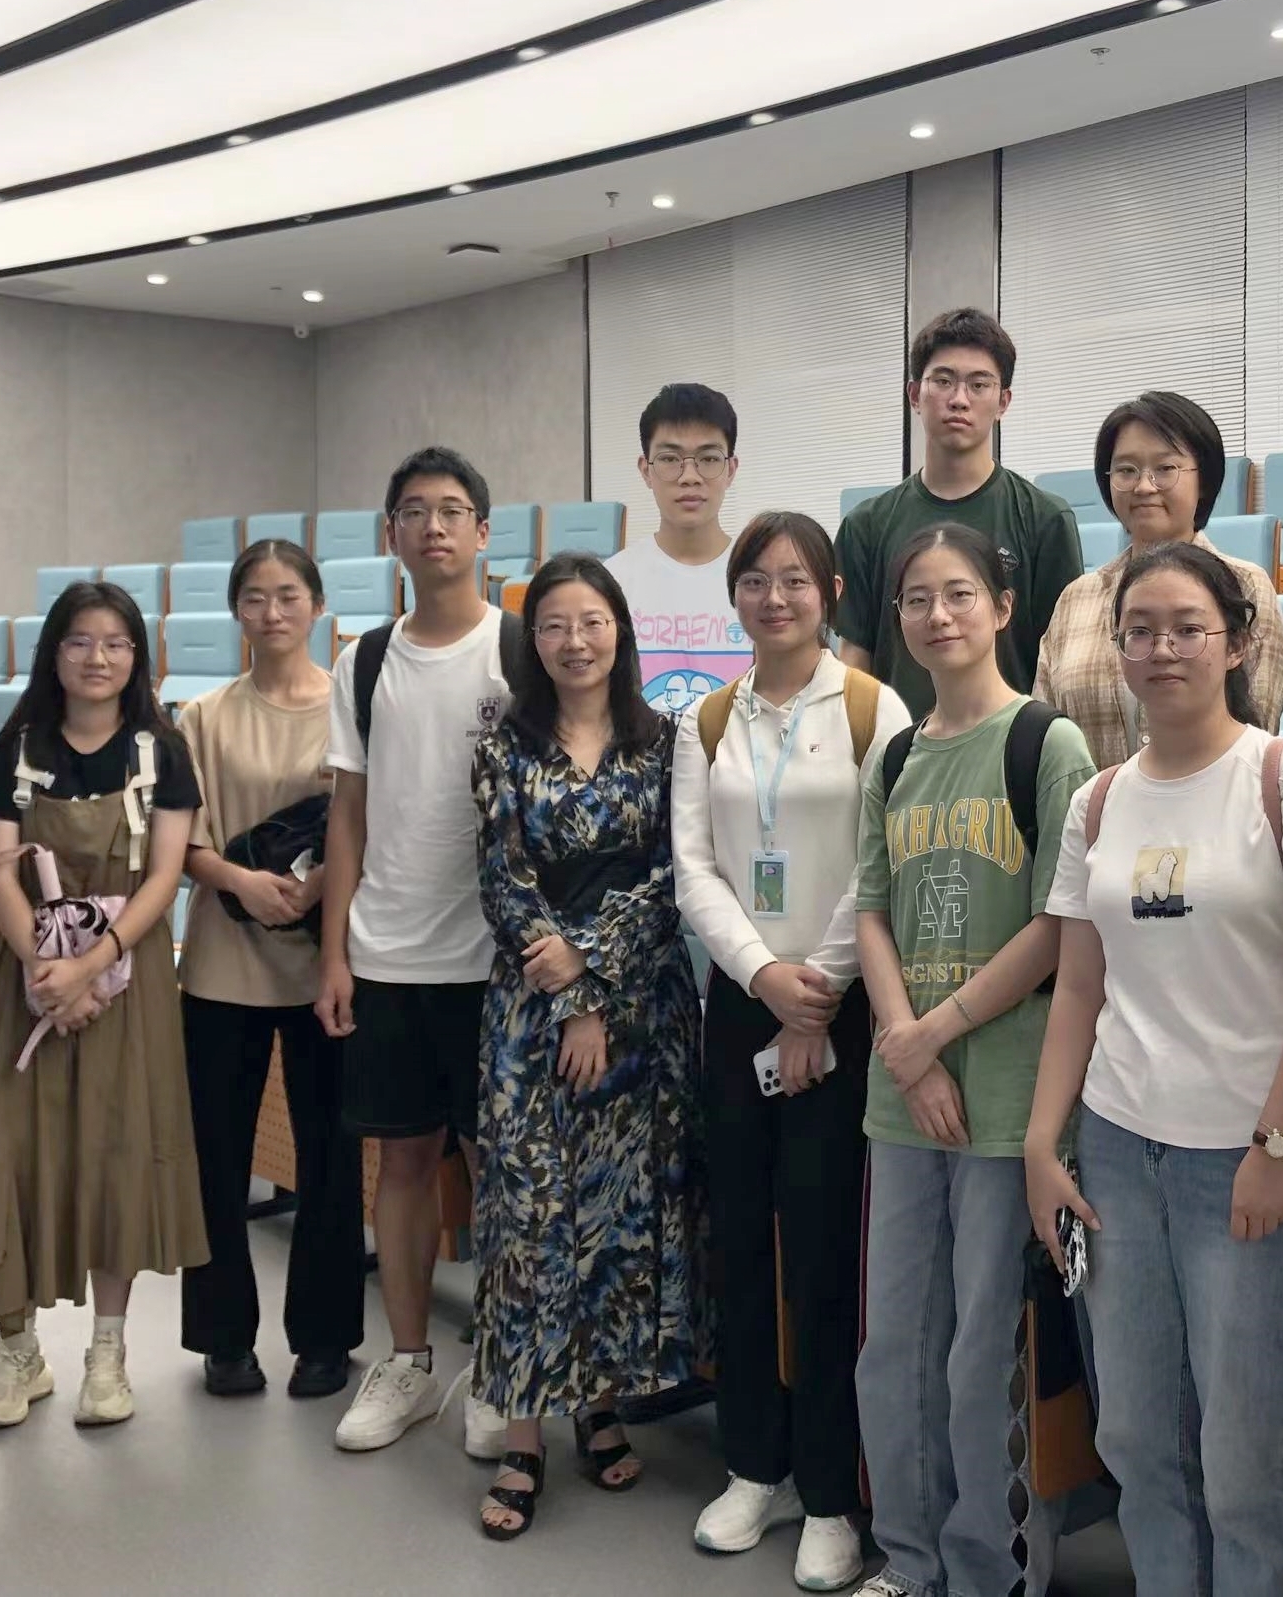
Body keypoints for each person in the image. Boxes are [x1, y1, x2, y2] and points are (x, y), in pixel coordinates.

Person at [1027, 540, 1283, 1595]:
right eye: (1140, 631)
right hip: (1120, 1150)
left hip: (1253, 1155)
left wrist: (1275, 1143)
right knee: (1137, 1436)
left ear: (1237, 644)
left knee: (1247, 1458)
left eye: (1187, 628)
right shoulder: (1098, 800)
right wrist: (1042, 1142)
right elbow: (1079, 988)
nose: (1162, 648)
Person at [852, 523, 1095, 1597]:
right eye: (917, 598)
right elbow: (870, 908)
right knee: (894, 1344)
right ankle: (907, 1561)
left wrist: (936, 1032)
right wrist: (908, 1051)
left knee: (981, 1347)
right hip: (904, 1094)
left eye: (959, 594)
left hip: (1005, 1096)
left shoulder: (1047, 743)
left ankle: (988, 1568)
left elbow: (1059, 922)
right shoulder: (894, 754)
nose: (937, 615)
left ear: (1002, 609)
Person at [672, 511, 911, 1592]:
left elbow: (879, 859)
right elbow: (694, 868)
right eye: (755, 581)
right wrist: (764, 977)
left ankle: (828, 1492)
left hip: (843, 1005)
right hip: (740, 1003)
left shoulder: (870, 706)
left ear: (831, 593)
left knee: (821, 1254)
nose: (775, 599)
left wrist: (814, 995)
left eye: (795, 580)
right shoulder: (708, 716)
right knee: (740, 1238)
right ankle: (753, 1464)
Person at [469, 553, 707, 1540]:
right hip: (532, 1011)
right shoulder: (502, 743)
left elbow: (675, 874)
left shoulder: (668, 743)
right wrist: (570, 994)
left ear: (621, 631)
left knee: (616, 1212)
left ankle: (598, 1405)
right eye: (556, 625)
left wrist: (597, 970)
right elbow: (503, 877)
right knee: (530, 1218)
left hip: (644, 1011)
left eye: (592, 621)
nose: (576, 641)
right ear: (534, 640)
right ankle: (522, 1432)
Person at [0, 580, 208, 1430]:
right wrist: (43, 971)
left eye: (116, 643)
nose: (98, 658)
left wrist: (91, 963)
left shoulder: (163, 753)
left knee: (116, 1155)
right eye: (81, 641)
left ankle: (108, 1353)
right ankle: (17, 1353)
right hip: (28, 988)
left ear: (138, 657)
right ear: (53, 652)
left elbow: (164, 876)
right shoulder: (16, 750)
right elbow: (0, 874)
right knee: (13, 1153)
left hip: (128, 983)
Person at [315, 446, 514, 1461]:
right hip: (388, 954)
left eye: (452, 509)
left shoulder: (519, 647)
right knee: (398, 1160)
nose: (434, 527)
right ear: (390, 533)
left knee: (499, 1167)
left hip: (496, 961)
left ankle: (502, 1366)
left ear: (483, 530)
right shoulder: (363, 660)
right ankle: (406, 1359)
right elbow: (347, 813)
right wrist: (335, 952)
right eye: (414, 511)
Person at [174, 538, 365, 1400]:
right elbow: (179, 841)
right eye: (254, 597)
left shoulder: (350, 708)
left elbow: (369, 820)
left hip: (329, 964)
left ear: (317, 606)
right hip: (224, 966)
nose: (272, 612)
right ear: (235, 611)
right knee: (217, 1157)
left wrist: (324, 883)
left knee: (330, 1155)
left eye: (289, 595)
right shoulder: (203, 716)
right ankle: (224, 1339)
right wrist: (238, 879)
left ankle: (326, 1338)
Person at [837, 308, 1084, 718]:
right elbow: (854, 660)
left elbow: (1061, 661)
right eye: (943, 381)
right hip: (898, 745)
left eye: (979, 384)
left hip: (1011, 746)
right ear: (914, 395)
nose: (959, 399)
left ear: (1003, 401)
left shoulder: (1045, 519)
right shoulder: (866, 525)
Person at [1035, 392, 1283, 768]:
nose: (1144, 486)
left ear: (1204, 479)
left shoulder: (1245, 586)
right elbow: (1048, 736)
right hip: (1092, 804)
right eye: (1126, 470)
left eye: (1165, 468)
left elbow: (1256, 727)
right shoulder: (1077, 597)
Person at [605, 382, 751, 715]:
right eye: (670, 459)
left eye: (708, 458)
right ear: (646, 470)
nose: (690, 476)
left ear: (731, 469)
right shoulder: (611, 583)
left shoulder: (759, 580)